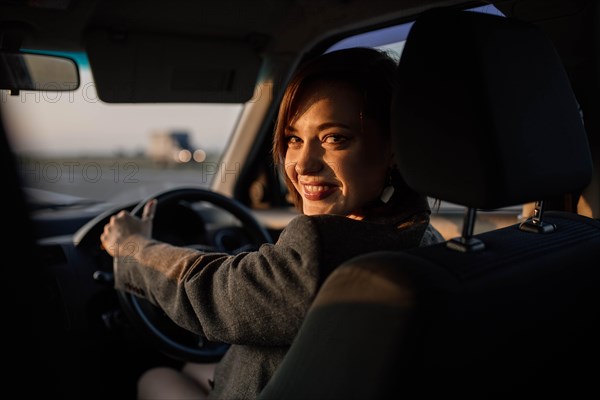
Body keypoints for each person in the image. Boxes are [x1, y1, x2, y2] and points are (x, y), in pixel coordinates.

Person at [100, 46, 444, 399]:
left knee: (155, 377)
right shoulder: (424, 237)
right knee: (193, 367)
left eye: (334, 138)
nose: (302, 164)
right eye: (294, 139)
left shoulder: (320, 247)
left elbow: (210, 294)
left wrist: (132, 247)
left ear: (393, 148)